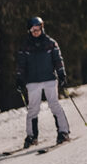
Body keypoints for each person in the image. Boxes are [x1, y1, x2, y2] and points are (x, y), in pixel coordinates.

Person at [16, 16, 70, 147]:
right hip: (32, 81)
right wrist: (19, 79)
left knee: (54, 104)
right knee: (33, 109)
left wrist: (62, 74)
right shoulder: (25, 46)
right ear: (29, 30)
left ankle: (63, 132)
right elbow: (21, 64)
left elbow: (58, 59)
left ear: (42, 28)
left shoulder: (50, 43)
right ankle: (31, 136)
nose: (36, 32)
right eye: (33, 29)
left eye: (38, 29)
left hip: (49, 79)